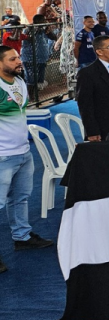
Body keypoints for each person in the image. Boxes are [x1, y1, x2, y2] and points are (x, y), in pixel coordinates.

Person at [0, 46, 53, 272]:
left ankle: (21, 237)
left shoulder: (20, 82)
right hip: (2, 156)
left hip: (23, 151)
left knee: (20, 197)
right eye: (13, 59)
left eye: (18, 57)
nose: (19, 61)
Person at [77, 35, 109, 141]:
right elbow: (85, 106)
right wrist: (92, 131)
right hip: (103, 125)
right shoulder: (87, 73)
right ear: (99, 52)